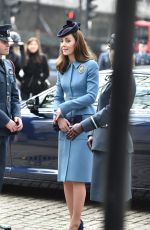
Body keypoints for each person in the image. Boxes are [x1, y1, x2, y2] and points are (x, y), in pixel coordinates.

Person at [66, 34, 136, 203]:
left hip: (113, 145)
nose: (111, 55)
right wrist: (93, 135)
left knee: (112, 201)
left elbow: (111, 111)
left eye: (112, 50)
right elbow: (102, 107)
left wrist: (82, 127)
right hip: (104, 143)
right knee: (107, 200)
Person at [53, 20, 99, 230]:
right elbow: (56, 97)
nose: (64, 44)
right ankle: (76, 222)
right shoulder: (62, 68)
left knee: (77, 177)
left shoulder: (90, 65)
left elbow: (91, 96)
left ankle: (73, 225)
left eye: (68, 40)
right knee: (66, 178)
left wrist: (64, 107)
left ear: (76, 42)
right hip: (64, 127)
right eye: (62, 41)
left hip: (82, 126)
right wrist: (59, 116)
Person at [0, 24, 23, 230]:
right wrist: (5, 119)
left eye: (8, 42)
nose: (8, 45)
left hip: (4, 131)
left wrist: (17, 115)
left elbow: (15, 95)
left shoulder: (8, 65)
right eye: (4, 41)